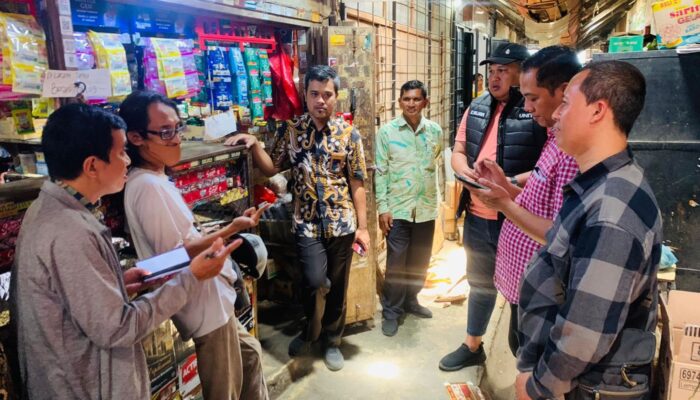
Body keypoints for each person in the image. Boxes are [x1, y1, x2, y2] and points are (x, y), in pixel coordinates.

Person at [10, 103, 237, 400]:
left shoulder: (52, 210)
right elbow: (118, 328)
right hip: (84, 387)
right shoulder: (69, 230)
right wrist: (193, 278)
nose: (128, 160)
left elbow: (79, 304)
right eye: (120, 153)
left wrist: (116, 281)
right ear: (92, 166)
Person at [515, 61, 661, 400]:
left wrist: (539, 386)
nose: (555, 115)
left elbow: (584, 333)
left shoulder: (613, 209)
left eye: (566, 103)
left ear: (597, 111)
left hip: (583, 386)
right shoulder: (598, 184)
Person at [120, 91, 269, 400]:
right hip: (203, 304)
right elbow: (174, 255)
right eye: (165, 132)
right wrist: (229, 230)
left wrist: (225, 230)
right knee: (224, 387)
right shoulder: (146, 186)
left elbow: (182, 240)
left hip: (213, 298)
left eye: (178, 128)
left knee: (250, 355)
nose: (176, 139)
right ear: (135, 138)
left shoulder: (155, 178)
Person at [225, 65, 369, 371]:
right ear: (305, 95)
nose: (321, 101)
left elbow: (357, 183)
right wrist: (253, 144)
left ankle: (331, 340)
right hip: (306, 223)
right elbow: (271, 168)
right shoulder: (293, 130)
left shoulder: (348, 134)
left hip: (342, 224)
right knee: (314, 281)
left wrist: (364, 228)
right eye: (314, 94)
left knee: (338, 287)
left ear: (336, 97)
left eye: (327, 95)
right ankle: (309, 330)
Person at [463, 46, 581, 356]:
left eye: (533, 97)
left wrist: (503, 203)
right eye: (491, 71)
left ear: (565, 93)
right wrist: (504, 183)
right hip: (522, 276)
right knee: (513, 334)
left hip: (543, 282)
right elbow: (538, 195)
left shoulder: (569, 146)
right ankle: (472, 343)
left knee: (530, 353)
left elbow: (558, 231)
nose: (528, 106)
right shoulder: (554, 136)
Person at [440, 42, 547, 371]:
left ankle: (526, 363)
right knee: (480, 282)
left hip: (516, 219)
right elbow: (458, 151)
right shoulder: (477, 107)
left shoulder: (533, 112)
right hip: (477, 215)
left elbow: (549, 166)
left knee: (521, 293)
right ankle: (473, 344)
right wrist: (463, 170)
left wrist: (510, 182)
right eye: (491, 71)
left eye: (503, 70)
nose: (495, 78)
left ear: (520, 72)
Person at [375, 80, 443, 337]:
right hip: (398, 210)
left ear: (425, 102)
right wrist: (383, 208)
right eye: (406, 99)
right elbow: (380, 172)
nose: (411, 104)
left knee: (419, 262)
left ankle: (411, 301)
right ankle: (392, 311)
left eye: (416, 99)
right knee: (397, 263)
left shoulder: (435, 132)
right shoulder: (388, 133)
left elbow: (434, 162)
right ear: (400, 102)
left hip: (425, 208)